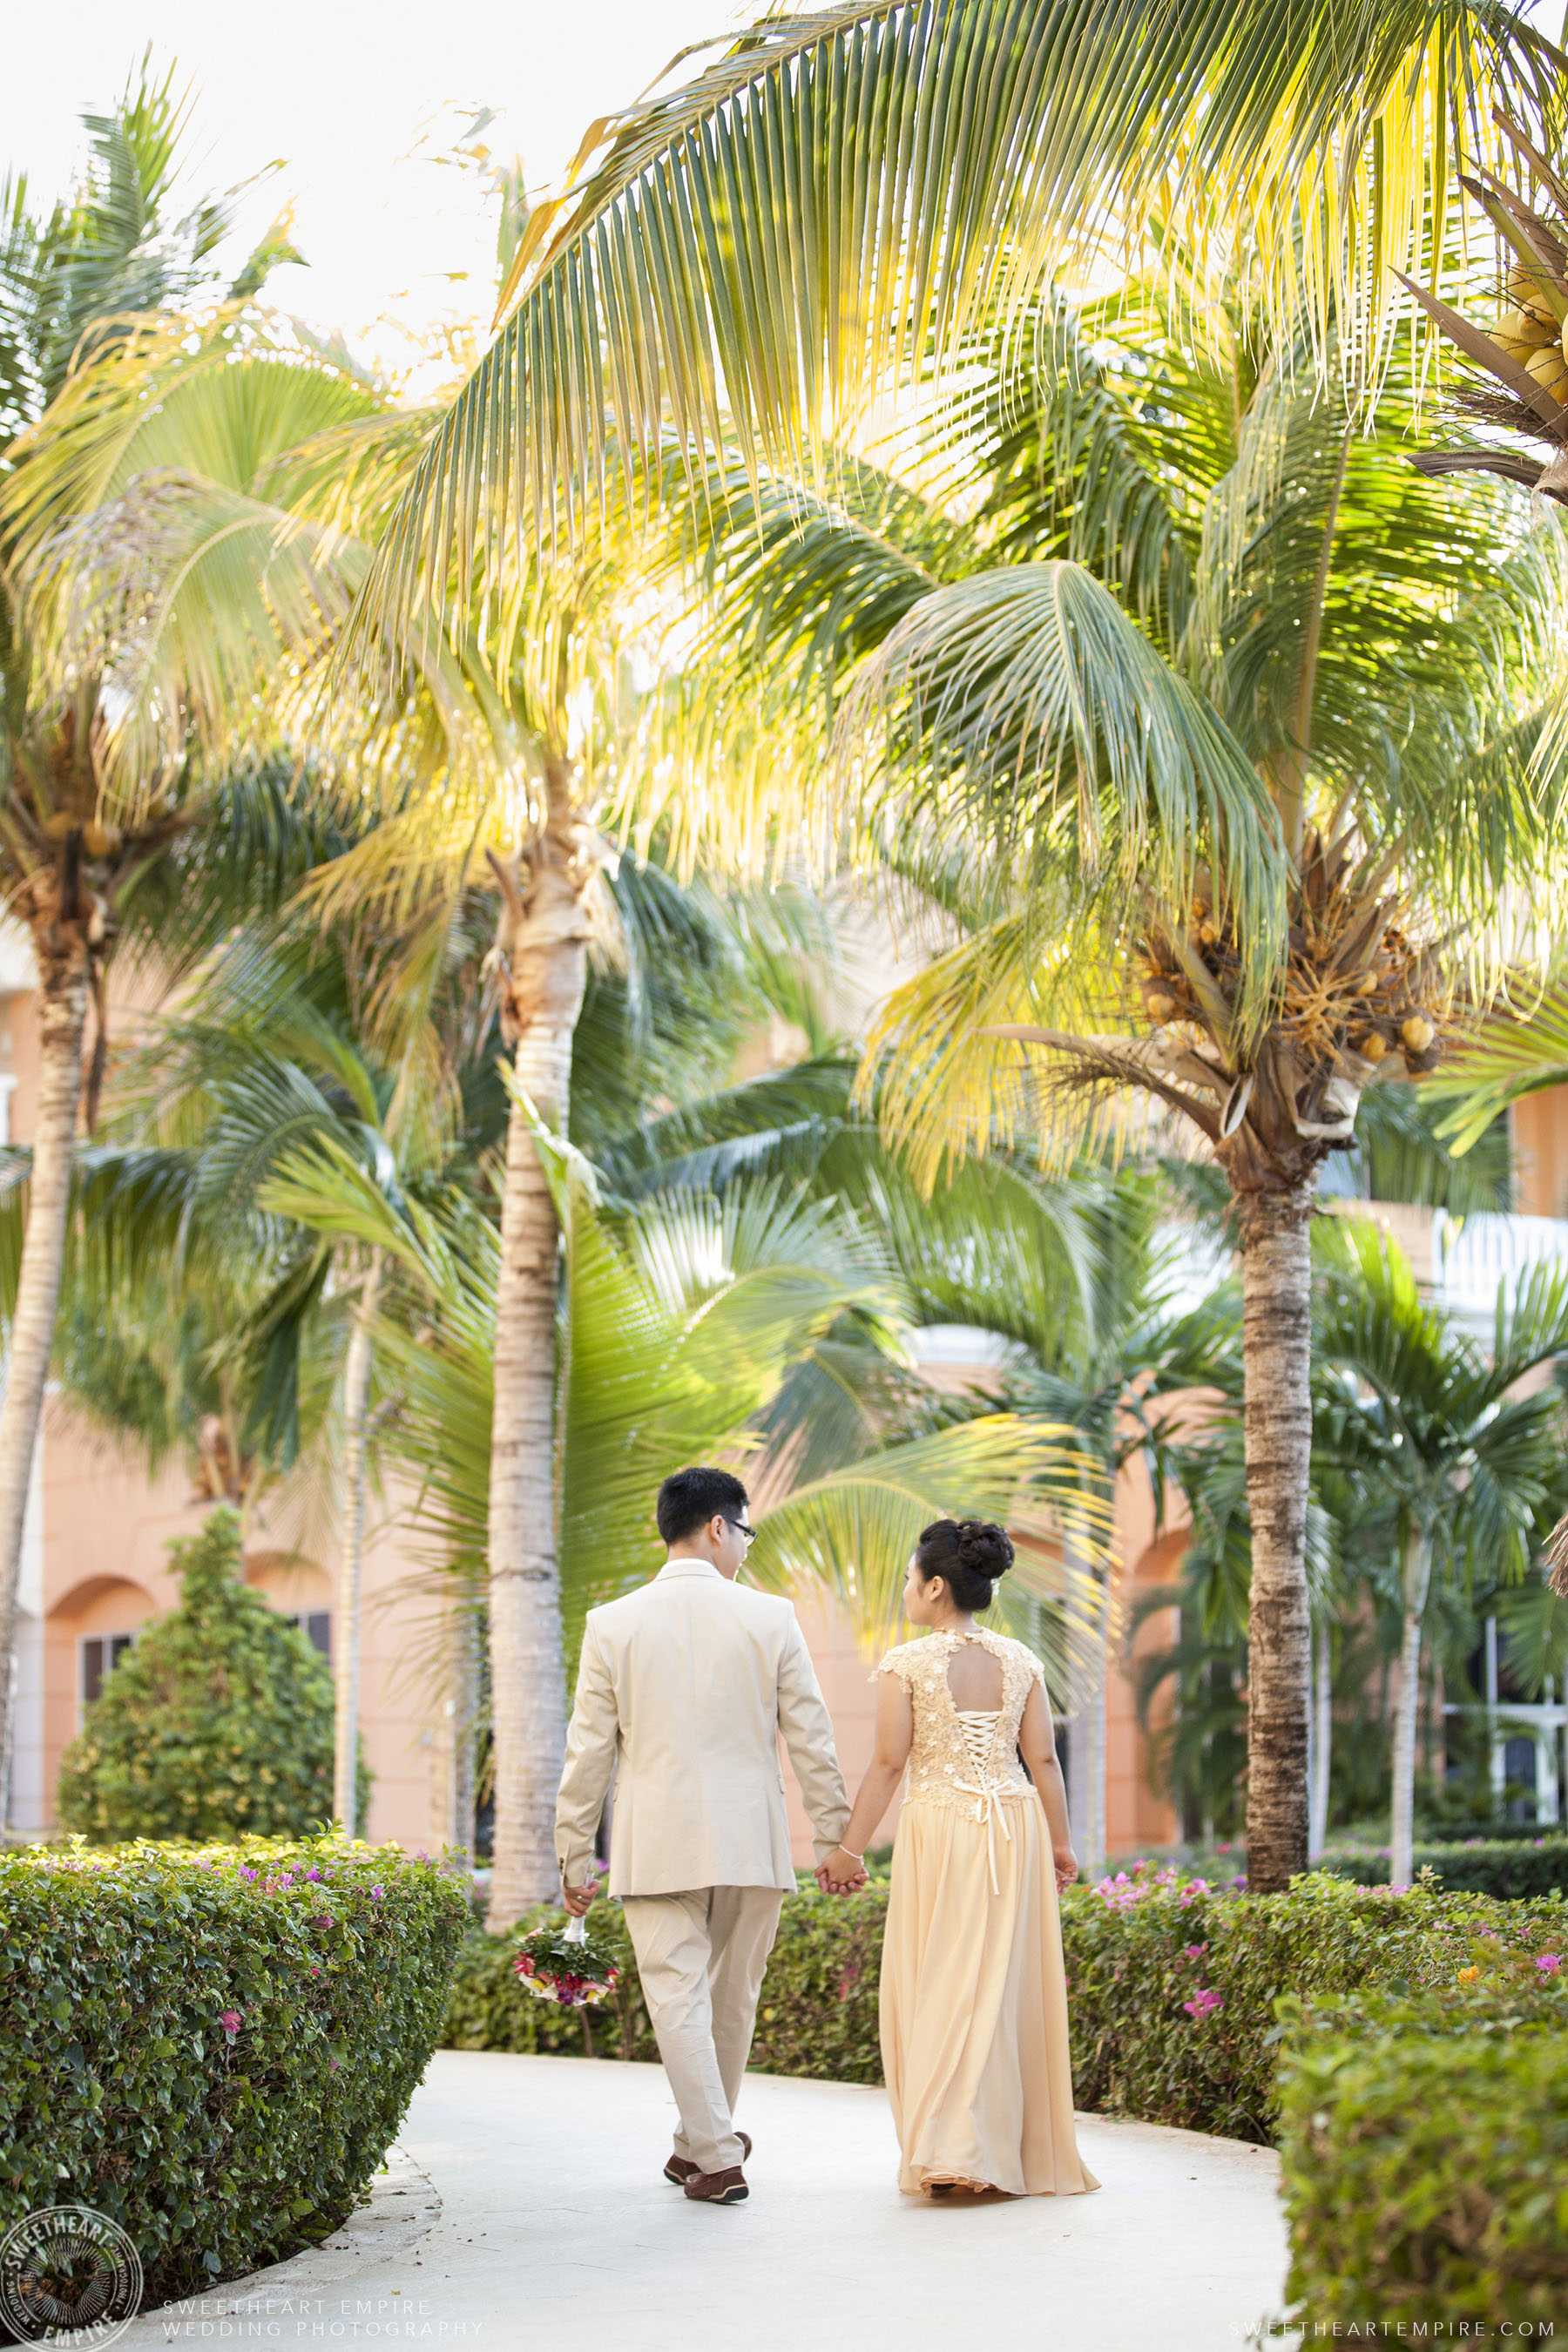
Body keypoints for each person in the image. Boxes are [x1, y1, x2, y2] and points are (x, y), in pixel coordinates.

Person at [555, 1463, 854, 2207]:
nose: (746, 1548)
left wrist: (572, 1851)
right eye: (745, 1531)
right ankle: (713, 2148)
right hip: (752, 1840)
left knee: (676, 2000)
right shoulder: (771, 1617)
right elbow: (811, 1738)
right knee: (731, 2000)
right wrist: (832, 1837)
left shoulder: (611, 1623)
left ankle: (702, 2146)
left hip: (655, 1843)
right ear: (718, 1527)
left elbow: (587, 1751)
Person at [816, 1518, 1100, 2201]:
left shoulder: (905, 1664)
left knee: (942, 1983)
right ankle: (986, 2149)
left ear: (936, 1585)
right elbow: (1044, 1761)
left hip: (942, 1828)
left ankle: (953, 2149)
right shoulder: (1022, 1661)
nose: (906, 1592)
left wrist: (849, 1850)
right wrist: (1061, 1845)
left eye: (910, 1580)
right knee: (999, 1991)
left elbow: (888, 1763)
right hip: (1014, 1824)